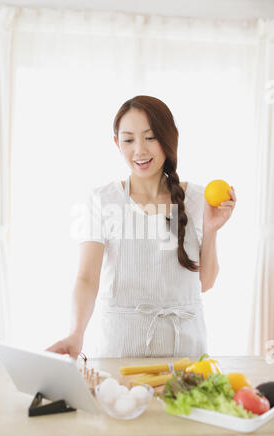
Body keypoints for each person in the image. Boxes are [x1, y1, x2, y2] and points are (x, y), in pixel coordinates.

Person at [46, 95, 236, 359]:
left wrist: (212, 229)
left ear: (170, 137)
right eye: (128, 140)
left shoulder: (197, 199)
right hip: (121, 348)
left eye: (150, 137)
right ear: (117, 143)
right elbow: (87, 278)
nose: (140, 150)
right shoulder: (103, 200)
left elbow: (206, 282)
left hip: (186, 351)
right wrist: (77, 333)